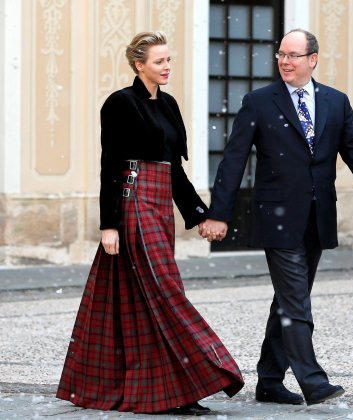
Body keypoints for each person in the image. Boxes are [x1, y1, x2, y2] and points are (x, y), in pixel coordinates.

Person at [200, 28, 353, 406]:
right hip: (276, 216)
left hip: (317, 217)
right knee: (296, 302)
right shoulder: (259, 102)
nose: (284, 62)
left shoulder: (336, 102)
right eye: (281, 55)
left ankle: (270, 381)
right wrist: (219, 213)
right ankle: (313, 380)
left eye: (292, 55)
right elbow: (234, 160)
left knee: (290, 299)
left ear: (313, 59)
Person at [56, 31, 244, 415]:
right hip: (133, 201)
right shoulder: (120, 103)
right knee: (165, 290)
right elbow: (110, 164)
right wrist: (108, 224)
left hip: (160, 206)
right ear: (138, 64)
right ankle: (207, 368)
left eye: (169, 60)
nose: (167, 67)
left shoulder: (170, 105)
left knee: (145, 298)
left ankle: (172, 391)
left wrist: (199, 214)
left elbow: (174, 170)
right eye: (159, 61)